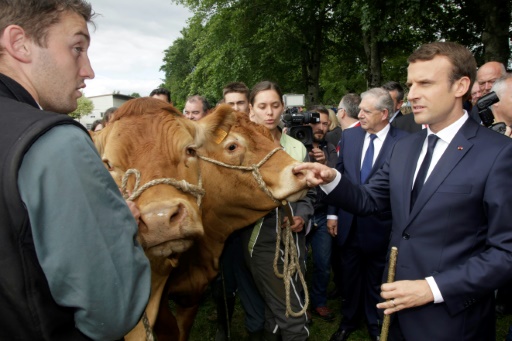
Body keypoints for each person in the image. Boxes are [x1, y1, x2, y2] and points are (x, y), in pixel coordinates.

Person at [295, 41, 512, 341]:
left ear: (461, 85)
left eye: (425, 83)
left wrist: (433, 288)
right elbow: (369, 200)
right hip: (394, 309)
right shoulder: (404, 148)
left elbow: (505, 252)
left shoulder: (498, 154)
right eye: (411, 84)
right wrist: (331, 177)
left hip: (453, 321)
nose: (412, 94)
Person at [0, 1, 151, 340]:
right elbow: (112, 311)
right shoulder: (53, 142)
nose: (88, 70)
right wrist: (116, 226)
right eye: (77, 48)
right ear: (19, 44)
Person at [328, 88, 408, 341]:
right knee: (349, 278)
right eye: (359, 109)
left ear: (384, 114)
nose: (358, 114)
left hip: (382, 227)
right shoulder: (350, 137)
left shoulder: (404, 142)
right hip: (349, 223)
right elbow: (338, 176)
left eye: (365, 110)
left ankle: (375, 325)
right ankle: (348, 321)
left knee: (377, 280)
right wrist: (332, 214)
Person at [243, 80, 315, 340]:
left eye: (275, 105)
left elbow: (311, 194)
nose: (269, 112)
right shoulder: (241, 150)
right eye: (262, 106)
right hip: (260, 239)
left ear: (283, 107)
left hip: (295, 239)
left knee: (276, 315)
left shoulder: (297, 148)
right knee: (293, 312)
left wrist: (301, 217)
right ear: (251, 110)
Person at [213, 81, 266, 341]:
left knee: (251, 279)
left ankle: (255, 326)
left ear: (248, 105)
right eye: (230, 104)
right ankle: (224, 325)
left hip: (253, 221)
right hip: (223, 224)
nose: (235, 108)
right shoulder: (214, 138)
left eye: (240, 103)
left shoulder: (259, 135)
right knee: (223, 281)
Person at [305, 105, 337, 321]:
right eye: (317, 122)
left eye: (325, 123)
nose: (321, 127)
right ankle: (298, 303)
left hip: (324, 214)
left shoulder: (331, 148)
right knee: (296, 263)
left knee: (323, 264)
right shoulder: (296, 145)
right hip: (302, 214)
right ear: (307, 122)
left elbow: (337, 180)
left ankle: (319, 302)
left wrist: (326, 163)